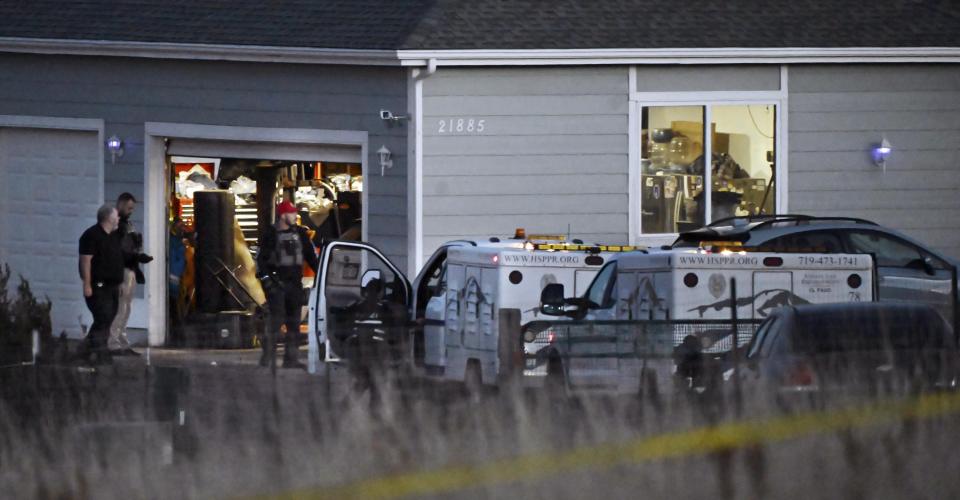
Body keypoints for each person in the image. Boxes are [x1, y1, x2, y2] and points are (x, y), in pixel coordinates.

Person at [256, 200, 318, 369]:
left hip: (295, 285)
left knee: (294, 324)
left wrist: (322, 274)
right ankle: (267, 356)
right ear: (283, 215)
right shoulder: (271, 234)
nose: (295, 216)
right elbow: (261, 261)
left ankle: (291, 359)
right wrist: (268, 282)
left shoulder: (300, 234)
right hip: (278, 285)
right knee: (276, 322)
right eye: (291, 213)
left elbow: (312, 258)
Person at [78, 204, 124, 365]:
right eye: (116, 216)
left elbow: (117, 259)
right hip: (98, 286)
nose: (118, 219)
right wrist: (87, 284)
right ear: (109, 218)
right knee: (102, 317)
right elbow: (85, 261)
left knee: (109, 318)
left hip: (113, 286)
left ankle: (85, 350)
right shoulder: (91, 236)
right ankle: (100, 353)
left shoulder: (113, 236)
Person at [108, 192, 153, 356]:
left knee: (126, 308)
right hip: (122, 270)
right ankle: (113, 343)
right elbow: (117, 251)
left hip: (131, 269)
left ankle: (122, 341)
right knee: (120, 307)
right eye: (129, 208)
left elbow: (130, 247)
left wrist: (137, 253)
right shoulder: (116, 226)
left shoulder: (128, 225)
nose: (131, 211)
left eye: (132, 208)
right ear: (120, 205)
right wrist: (136, 256)